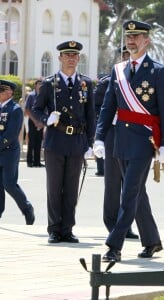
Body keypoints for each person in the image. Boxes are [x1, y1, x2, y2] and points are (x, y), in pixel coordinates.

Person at [93, 20, 164, 262]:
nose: (132, 40)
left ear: (146, 40)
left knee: (128, 193)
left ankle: (114, 245)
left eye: (137, 36)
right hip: (120, 140)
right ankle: (151, 241)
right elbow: (108, 107)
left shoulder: (158, 71)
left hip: (144, 141)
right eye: (129, 36)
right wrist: (99, 137)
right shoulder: (118, 70)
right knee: (137, 193)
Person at [33, 41, 95, 244]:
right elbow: (36, 108)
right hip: (55, 140)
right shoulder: (49, 84)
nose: (71, 58)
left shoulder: (85, 84)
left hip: (77, 141)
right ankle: (54, 229)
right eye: (67, 55)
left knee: (71, 188)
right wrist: (45, 120)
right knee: (54, 187)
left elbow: (90, 115)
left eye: (74, 55)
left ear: (78, 59)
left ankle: (67, 229)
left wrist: (91, 143)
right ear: (60, 58)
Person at [93, 46, 138, 239]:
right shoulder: (109, 81)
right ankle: (111, 223)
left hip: (135, 136)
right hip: (113, 136)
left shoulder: (143, 80)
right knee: (112, 183)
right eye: (126, 56)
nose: (129, 59)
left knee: (131, 184)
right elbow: (97, 109)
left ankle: (126, 225)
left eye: (131, 56)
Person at [0, 79, 35, 224]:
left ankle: (27, 208)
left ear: (10, 92)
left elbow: (11, 134)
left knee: (9, 184)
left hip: (8, 152)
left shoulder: (15, 110)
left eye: (2, 90)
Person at [25, 79, 44, 167]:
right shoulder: (31, 96)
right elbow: (27, 110)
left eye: (42, 84)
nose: (41, 85)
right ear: (35, 85)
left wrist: (42, 122)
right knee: (31, 141)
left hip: (41, 122)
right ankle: (29, 161)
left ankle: (37, 161)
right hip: (33, 121)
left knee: (39, 142)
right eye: (39, 84)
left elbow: (46, 110)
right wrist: (35, 121)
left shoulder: (43, 96)